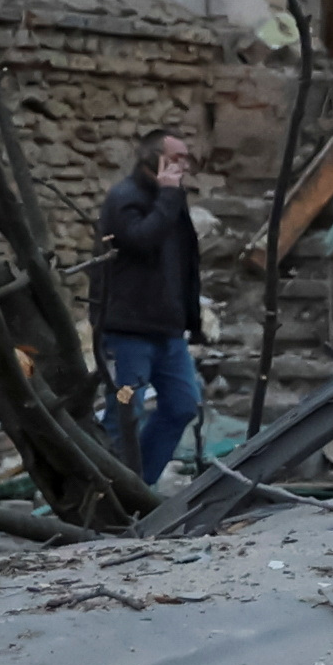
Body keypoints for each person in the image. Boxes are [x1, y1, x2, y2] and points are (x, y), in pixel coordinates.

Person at [94, 128, 207, 481]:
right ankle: (110, 491)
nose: (183, 166)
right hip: (128, 330)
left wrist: (192, 321)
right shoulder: (125, 197)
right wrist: (169, 195)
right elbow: (142, 240)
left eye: (186, 159)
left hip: (168, 331)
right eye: (176, 158)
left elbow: (186, 263)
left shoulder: (171, 199)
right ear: (151, 159)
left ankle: (141, 486)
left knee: (182, 405)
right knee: (124, 412)